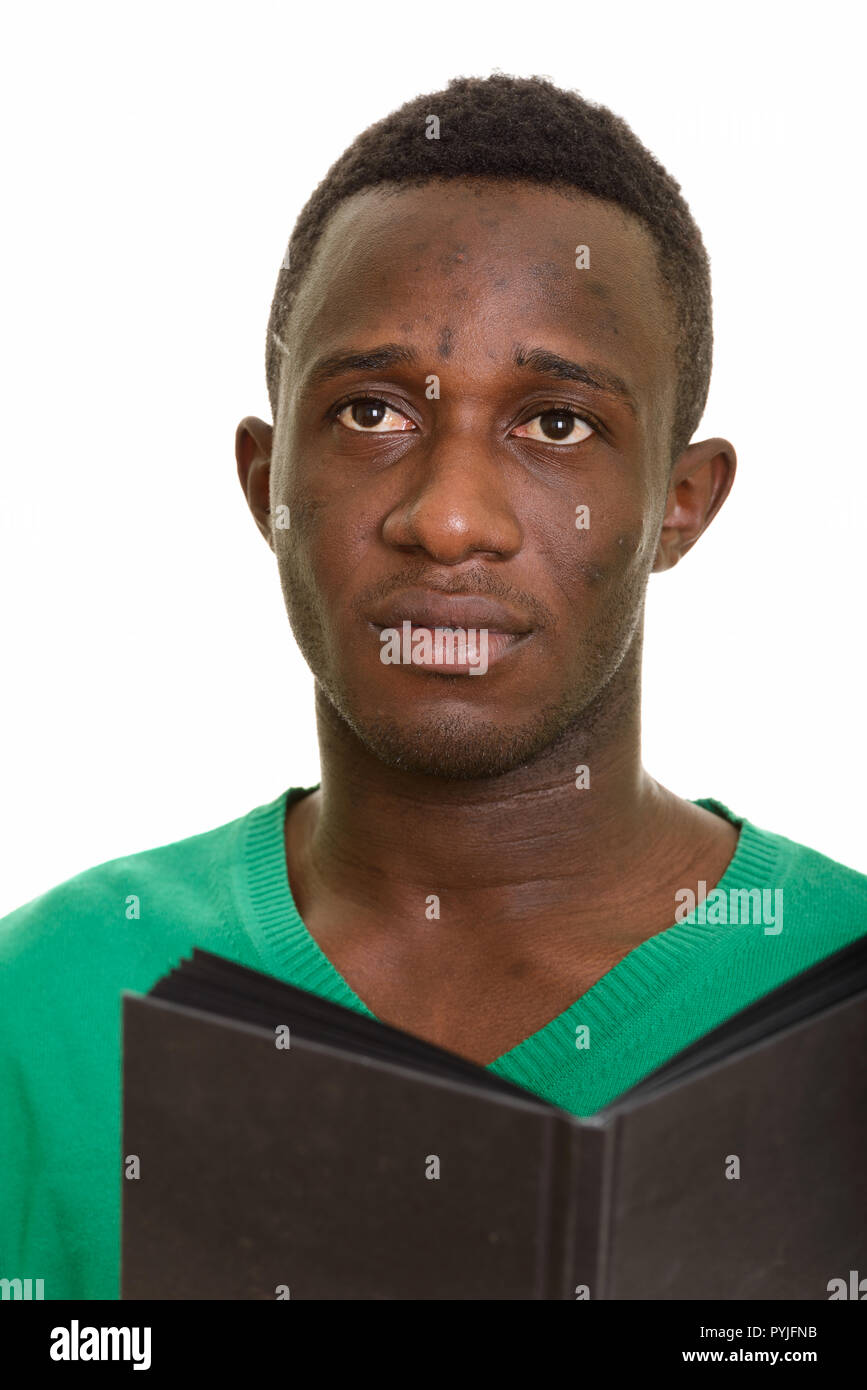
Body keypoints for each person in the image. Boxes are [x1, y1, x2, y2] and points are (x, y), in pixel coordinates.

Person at [2, 74, 865, 1301]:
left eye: (556, 424)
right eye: (372, 410)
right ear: (266, 483)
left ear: (683, 501)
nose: (448, 518)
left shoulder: (837, 984)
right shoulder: (43, 1013)